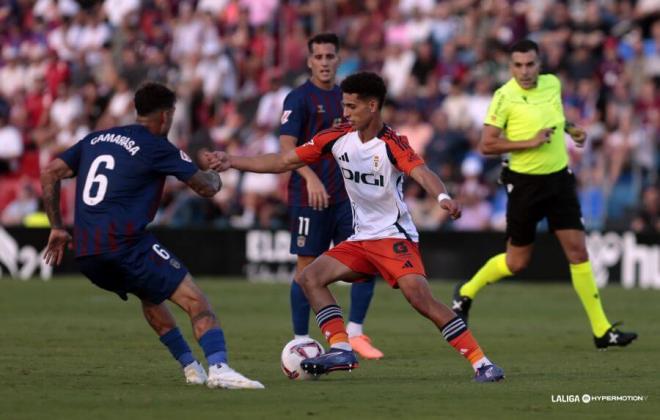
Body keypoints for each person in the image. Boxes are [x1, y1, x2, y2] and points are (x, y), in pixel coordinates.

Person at [208, 72, 505, 382]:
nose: (345, 112)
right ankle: (341, 348)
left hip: (393, 237)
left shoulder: (392, 143)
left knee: (420, 299)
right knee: (309, 277)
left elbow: (422, 172)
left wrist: (443, 196)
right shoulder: (336, 136)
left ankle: (482, 363)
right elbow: (284, 161)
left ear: (372, 106)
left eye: (351, 106)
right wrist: (232, 160)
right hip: (361, 239)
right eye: (344, 105)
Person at [40, 82, 264, 389]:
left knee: (149, 294)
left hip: (87, 253)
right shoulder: (158, 146)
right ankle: (220, 367)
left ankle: (190, 367)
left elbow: (50, 172)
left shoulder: (96, 138)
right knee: (196, 301)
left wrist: (56, 226)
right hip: (125, 244)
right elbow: (206, 188)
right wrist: (216, 174)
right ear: (166, 115)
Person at [451, 40, 637, 349]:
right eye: (518, 65)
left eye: (530, 64)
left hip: (559, 181)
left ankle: (602, 331)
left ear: (540, 64)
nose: (525, 71)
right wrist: (529, 143)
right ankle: (467, 291)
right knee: (516, 262)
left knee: (578, 252)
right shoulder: (504, 97)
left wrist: (572, 129)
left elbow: (554, 118)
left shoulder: (552, 84)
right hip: (524, 185)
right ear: (511, 67)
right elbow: (487, 144)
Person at [279, 33, 382, 359]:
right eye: (319, 57)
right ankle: (300, 339)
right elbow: (286, 149)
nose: (324, 62)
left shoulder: (347, 98)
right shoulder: (298, 99)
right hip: (311, 198)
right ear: (310, 61)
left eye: (330, 56)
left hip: (348, 197)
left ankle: (355, 333)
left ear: (339, 60)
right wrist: (310, 177)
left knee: (366, 262)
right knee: (307, 269)